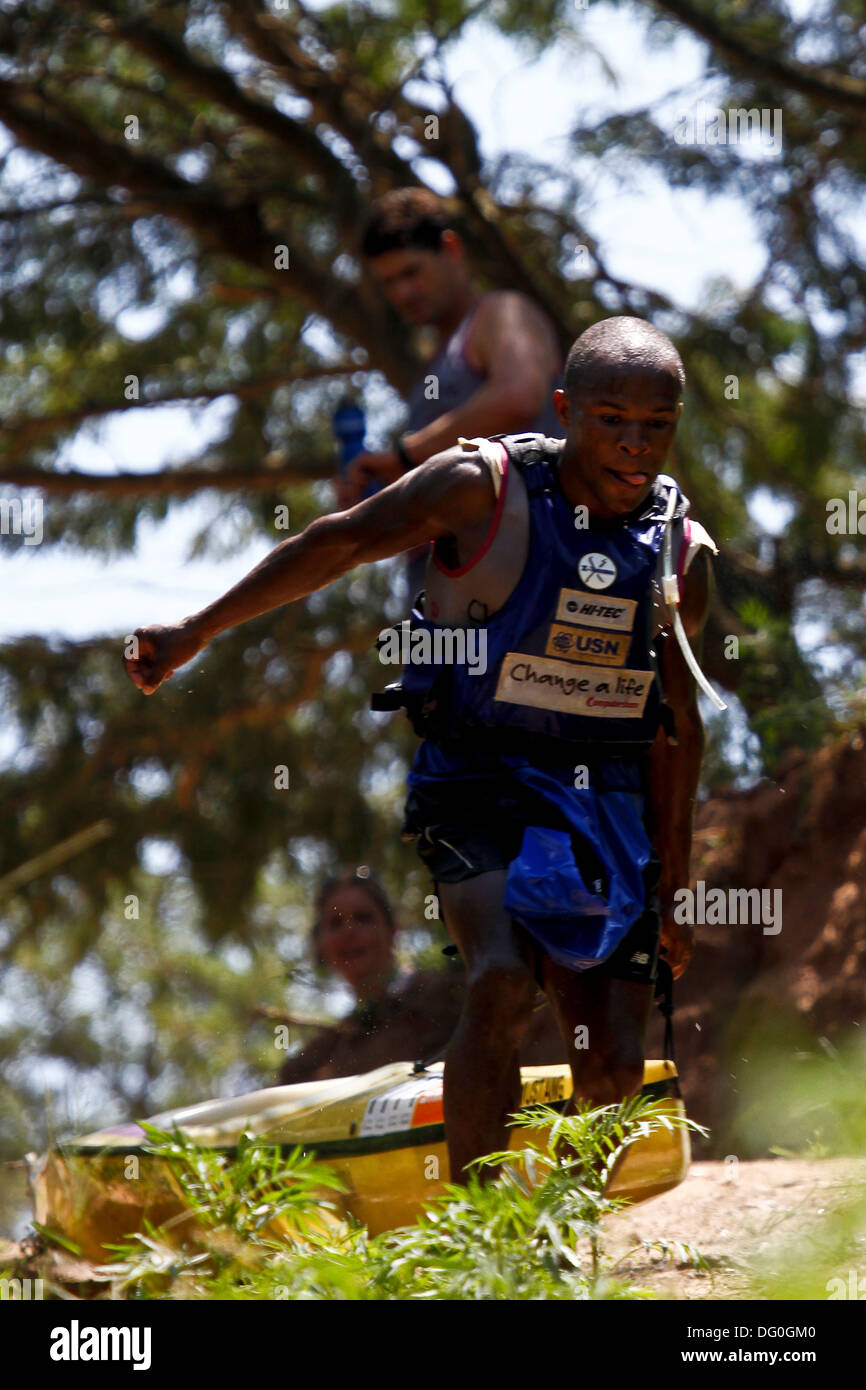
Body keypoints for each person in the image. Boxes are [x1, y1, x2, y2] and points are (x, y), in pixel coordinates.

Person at [124, 315, 717, 1181]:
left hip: (605, 794)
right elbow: (342, 541)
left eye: (655, 424)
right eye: (610, 419)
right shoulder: (483, 486)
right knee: (503, 977)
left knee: (614, 1063)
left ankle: (575, 1233)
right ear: (564, 410)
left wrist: (676, 874)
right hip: (474, 774)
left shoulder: (674, 554)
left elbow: (675, 724)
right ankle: (484, 1225)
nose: (634, 444)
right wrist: (199, 628)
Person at [335, 188, 563, 598]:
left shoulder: (502, 313)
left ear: (451, 248)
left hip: (523, 582)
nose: (403, 293)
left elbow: (519, 394)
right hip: (443, 600)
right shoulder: (432, 368)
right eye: (389, 282)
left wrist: (404, 455)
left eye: (411, 272)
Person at [275, 866, 464, 1084]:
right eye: (335, 923)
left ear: (393, 930)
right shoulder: (322, 1052)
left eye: (363, 918)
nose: (349, 932)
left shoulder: (446, 998)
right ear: (320, 943)